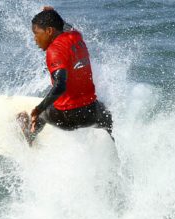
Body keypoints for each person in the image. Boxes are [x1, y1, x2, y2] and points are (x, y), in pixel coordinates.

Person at [18, 8, 113, 143]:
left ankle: (29, 134)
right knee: (108, 118)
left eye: (36, 33)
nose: (35, 39)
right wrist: (57, 17)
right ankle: (119, 152)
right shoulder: (76, 36)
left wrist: (39, 109)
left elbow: (60, 85)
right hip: (90, 112)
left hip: (66, 117)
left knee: (42, 114)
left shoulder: (54, 50)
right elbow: (66, 28)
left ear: (49, 31)